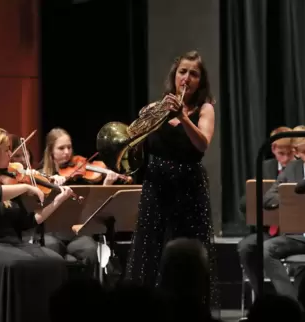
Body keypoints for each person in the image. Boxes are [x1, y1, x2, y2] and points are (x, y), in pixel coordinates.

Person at [124, 50, 218, 307]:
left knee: (182, 258)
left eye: (194, 74)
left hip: (188, 190)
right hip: (156, 188)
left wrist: (183, 117)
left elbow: (202, 145)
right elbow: (137, 145)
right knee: (150, 254)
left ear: (201, 80)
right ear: (175, 76)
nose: (186, 78)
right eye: (182, 72)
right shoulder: (156, 107)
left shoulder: (205, 108)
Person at [0, 126, 73, 322]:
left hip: (9, 244)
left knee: (55, 261)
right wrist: (26, 186)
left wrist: (57, 201)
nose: (11, 154)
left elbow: (27, 222)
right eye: (7, 149)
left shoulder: (8, 181)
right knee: (13, 264)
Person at [240, 125, 305, 300]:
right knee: (267, 248)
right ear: (297, 153)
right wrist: (292, 199)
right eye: (304, 152)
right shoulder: (292, 169)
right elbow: (268, 198)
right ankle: (289, 302)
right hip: (298, 235)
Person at [38, 127, 119, 275]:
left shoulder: (81, 175)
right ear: (51, 151)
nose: (67, 152)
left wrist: (106, 184)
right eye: (61, 148)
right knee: (50, 253)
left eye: (69, 147)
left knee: (91, 251)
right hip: (51, 233)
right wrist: (51, 184)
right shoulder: (42, 175)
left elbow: (95, 206)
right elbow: (36, 205)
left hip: (78, 233)